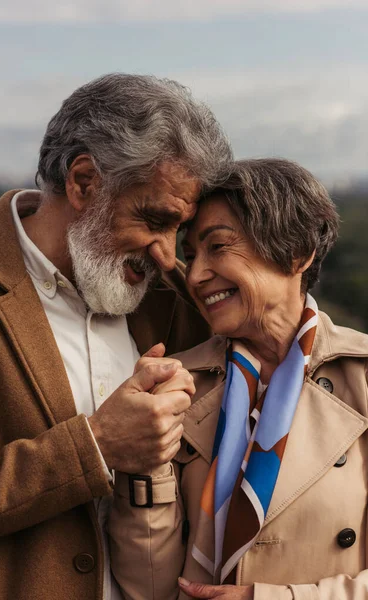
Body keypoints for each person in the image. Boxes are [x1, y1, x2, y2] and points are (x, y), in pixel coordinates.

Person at [0, 73, 233, 600]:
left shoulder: (178, 299)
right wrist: (94, 447)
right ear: (84, 180)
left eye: (179, 231)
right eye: (155, 219)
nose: (166, 254)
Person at [109, 158, 368, 600]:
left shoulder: (362, 378)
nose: (194, 275)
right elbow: (146, 585)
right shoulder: (177, 387)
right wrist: (143, 455)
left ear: (295, 252)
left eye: (218, 247)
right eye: (191, 256)